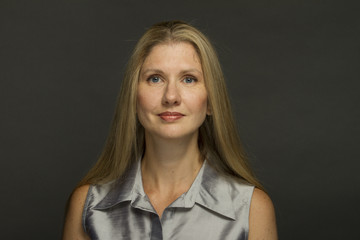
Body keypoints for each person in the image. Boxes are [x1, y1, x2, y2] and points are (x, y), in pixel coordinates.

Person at [62, 20, 277, 240]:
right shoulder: (88, 206)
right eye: (155, 79)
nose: (171, 97)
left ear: (212, 101)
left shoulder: (251, 209)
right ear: (134, 98)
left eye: (188, 79)